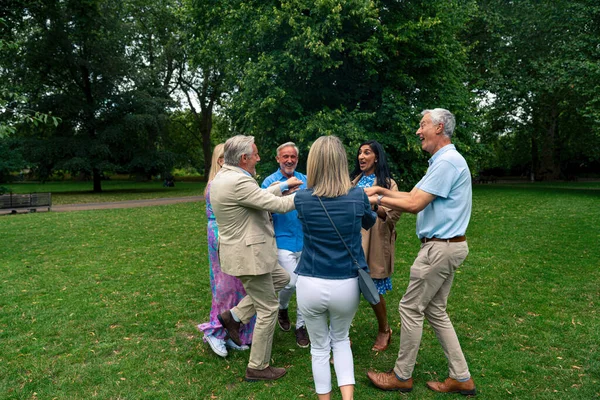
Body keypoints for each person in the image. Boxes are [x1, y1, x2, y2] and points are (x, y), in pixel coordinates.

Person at [365, 109, 476, 395]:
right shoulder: (442, 162)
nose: (418, 131)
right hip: (448, 247)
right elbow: (410, 196)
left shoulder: (448, 162)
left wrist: (377, 196)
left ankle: (402, 376)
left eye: (422, 125)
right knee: (436, 310)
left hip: (439, 249)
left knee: (410, 307)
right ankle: (461, 377)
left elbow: (414, 204)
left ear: (439, 127)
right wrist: (378, 191)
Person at [210, 135, 303, 382]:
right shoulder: (238, 181)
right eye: (256, 154)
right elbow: (276, 205)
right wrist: (308, 196)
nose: (259, 158)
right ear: (243, 158)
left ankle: (234, 315)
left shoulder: (227, 175)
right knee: (269, 307)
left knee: (282, 277)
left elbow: (257, 195)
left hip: (246, 252)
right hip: (249, 255)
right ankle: (258, 367)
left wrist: (283, 186)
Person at [294, 136, 377, 400]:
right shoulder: (357, 196)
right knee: (340, 342)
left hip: (310, 281)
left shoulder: (302, 198)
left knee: (319, 349)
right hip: (345, 283)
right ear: (342, 161)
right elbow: (369, 222)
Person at [197, 144, 255, 357]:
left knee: (239, 285)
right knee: (225, 287)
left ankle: (233, 333)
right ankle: (215, 332)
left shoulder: (227, 182)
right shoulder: (217, 184)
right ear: (221, 161)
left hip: (233, 233)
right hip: (222, 235)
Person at [350, 140, 402, 352]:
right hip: (351, 242)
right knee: (346, 289)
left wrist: (374, 205)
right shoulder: (353, 182)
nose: (361, 157)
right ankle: (341, 334)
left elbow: (394, 213)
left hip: (374, 242)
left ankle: (384, 329)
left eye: (367, 153)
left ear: (377, 157)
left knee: (372, 289)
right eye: (360, 153)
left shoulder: (388, 184)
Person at [261, 142, 309, 348]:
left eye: (293, 157)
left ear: (297, 159)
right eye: (285, 157)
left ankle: (301, 326)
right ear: (278, 159)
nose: (289, 160)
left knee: (306, 286)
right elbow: (262, 208)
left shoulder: (306, 180)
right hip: (282, 239)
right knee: (290, 282)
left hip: (307, 240)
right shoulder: (269, 182)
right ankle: (282, 307)